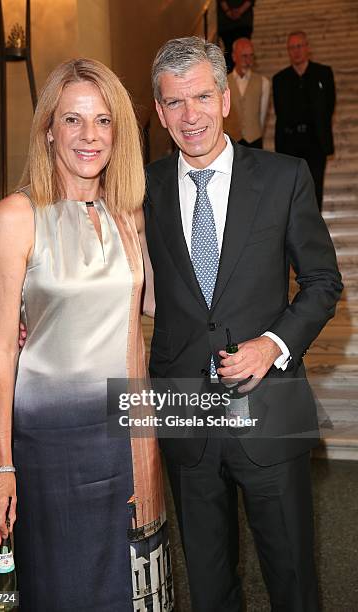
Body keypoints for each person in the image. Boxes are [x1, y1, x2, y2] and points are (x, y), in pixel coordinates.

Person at [145, 36, 342, 611]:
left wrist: (273, 344)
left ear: (225, 96)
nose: (191, 115)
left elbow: (324, 282)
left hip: (269, 405)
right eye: (175, 103)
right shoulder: (143, 188)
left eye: (202, 96)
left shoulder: (285, 177)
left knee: (292, 578)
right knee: (207, 585)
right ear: (159, 111)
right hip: (184, 411)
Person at [0, 58, 173, 611]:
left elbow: (140, 329)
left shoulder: (127, 214)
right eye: (73, 120)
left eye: (104, 120)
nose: (90, 135)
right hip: (51, 445)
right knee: (62, 589)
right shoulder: (17, 217)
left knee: (132, 590)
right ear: (48, 129)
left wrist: (147, 443)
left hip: (124, 436)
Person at [273, 31, 336, 210]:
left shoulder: (324, 73)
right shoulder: (280, 79)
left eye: (299, 46)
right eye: (292, 47)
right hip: (290, 144)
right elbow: (280, 113)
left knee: (316, 188)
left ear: (307, 48)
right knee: (293, 192)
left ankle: (315, 234)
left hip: (316, 142)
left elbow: (329, 107)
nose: (296, 51)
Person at [224, 37, 270, 148]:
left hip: (254, 141)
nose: (248, 60)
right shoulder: (223, 82)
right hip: (230, 141)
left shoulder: (263, 82)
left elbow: (262, 116)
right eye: (244, 56)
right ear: (234, 57)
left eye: (251, 56)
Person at [217, 1, 256, 72]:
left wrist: (230, 11)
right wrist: (234, 12)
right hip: (228, 23)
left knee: (240, 50)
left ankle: (242, 75)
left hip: (242, 22)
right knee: (230, 51)